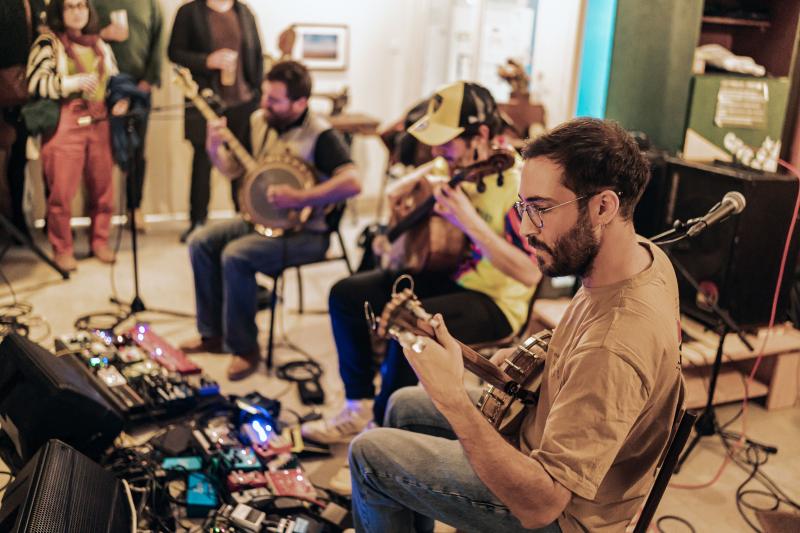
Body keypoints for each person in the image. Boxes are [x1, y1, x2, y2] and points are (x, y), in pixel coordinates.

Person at [347, 118, 684, 532]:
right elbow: (580, 359)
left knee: (369, 455)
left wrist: (454, 398)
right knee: (404, 404)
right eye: (523, 208)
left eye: (541, 209)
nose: (525, 229)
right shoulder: (640, 258)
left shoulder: (613, 346)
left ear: (603, 207)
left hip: (563, 516)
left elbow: (543, 504)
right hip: (542, 433)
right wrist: (521, 363)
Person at [301, 82, 541, 444]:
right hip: (449, 279)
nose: (437, 150)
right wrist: (396, 225)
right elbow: (402, 189)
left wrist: (468, 222)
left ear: (483, 135)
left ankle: (380, 431)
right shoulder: (454, 166)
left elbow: (529, 273)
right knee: (348, 295)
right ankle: (358, 406)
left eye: (448, 140)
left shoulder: (517, 184)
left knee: (411, 324)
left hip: (495, 302)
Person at [180, 61, 361, 381]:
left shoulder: (320, 134)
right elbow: (236, 170)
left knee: (236, 255)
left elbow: (353, 182)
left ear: (299, 103)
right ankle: (212, 334)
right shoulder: (258, 121)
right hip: (263, 220)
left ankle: (245, 348)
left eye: (274, 100)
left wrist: (300, 198)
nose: (264, 104)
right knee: (201, 241)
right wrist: (212, 147)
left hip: (308, 233)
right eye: (265, 95)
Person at [27, 0, 127, 272]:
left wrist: (119, 100)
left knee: (103, 186)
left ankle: (100, 240)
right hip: (66, 121)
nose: (77, 11)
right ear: (60, 11)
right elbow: (34, 82)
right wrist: (69, 83)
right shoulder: (48, 43)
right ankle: (62, 248)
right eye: (70, 6)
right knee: (61, 190)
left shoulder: (100, 45)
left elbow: (115, 81)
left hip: (100, 121)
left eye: (82, 5)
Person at [168, 0, 263, 243]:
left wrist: (259, 95)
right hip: (205, 102)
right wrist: (207, 61)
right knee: (203, 161)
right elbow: (174, 53)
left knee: (243, 161)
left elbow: (257, 56)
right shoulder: (189, 12)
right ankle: (198, 221)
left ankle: (244, 219)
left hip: (243, 101)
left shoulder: (244, 12)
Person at [94, 0, 163, 232]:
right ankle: (98, 215)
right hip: (102, 85)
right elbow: (76, 33)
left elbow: (158, 41)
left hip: (138, 87)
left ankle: (135, 209)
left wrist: (149, 79)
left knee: (136, 151)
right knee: (100, 153)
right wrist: (102, 34)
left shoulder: (150, 4)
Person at [0, 0, 46, 241]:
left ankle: (17, 223)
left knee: (18, 160)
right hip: (13, 83)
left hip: (21, 89)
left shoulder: (32, 3)